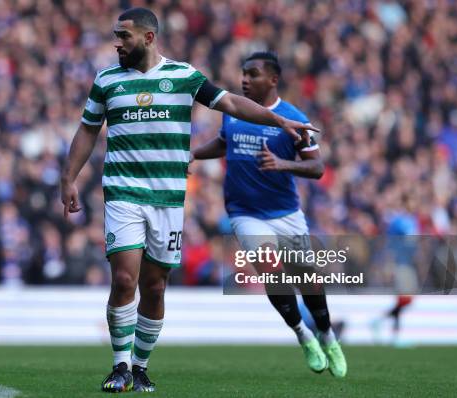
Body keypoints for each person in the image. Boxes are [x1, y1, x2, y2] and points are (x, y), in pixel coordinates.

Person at [60, 8, 318, 393]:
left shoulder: (183, 77)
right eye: (116, 35)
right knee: (125, 277)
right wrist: (69, 177)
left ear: (148, 38)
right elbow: (87, 130)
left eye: (124, 36)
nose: (117, 43)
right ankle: (120, 367)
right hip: (123, 192)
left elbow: (230, 103)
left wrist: (279, 120)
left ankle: (142, 367)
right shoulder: (106, 80)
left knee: (155, 285)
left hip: (168, 197)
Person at [192, 52, 347, 378]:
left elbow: (317, 167)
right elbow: (224, 144)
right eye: (243, 73)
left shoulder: (293, 117)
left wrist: (283, 164)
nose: (245, 79)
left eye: (253, 73)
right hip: (244, 211)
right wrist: (192, 155)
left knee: (307, 278)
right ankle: (303, 335)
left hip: (285, 212)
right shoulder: (233, 111)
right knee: (271, 269)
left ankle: (327, 335)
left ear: (273, 79)